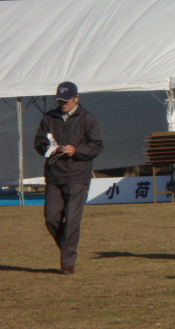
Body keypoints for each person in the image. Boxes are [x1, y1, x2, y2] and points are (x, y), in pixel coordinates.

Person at [34, 81, 103, 275]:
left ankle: (68, 263)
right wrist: (49, 149)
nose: (62, 104)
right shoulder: (49, 117)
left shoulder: (88, 118)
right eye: (59, 100)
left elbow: (97, 145)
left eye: (66, 100)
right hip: (54, 175)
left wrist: (76, 150)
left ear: (76, 98)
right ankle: (68, 250)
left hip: (77, 176)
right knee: (51, 219)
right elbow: (38, 142)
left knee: (72, 220)